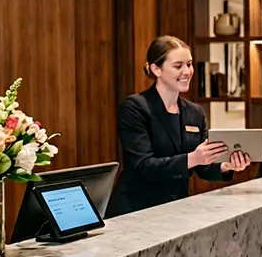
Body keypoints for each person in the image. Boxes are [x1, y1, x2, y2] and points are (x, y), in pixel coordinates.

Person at [107, 36, 250, 217]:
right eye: (178, 66)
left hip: (175, 211)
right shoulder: (135, 107)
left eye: (189, 64)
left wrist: (226, 165)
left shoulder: (194, 112)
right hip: (136, 210)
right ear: (156, 69)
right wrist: (192, 158)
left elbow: (202, 166)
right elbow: (143, 166)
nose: (187, 71)